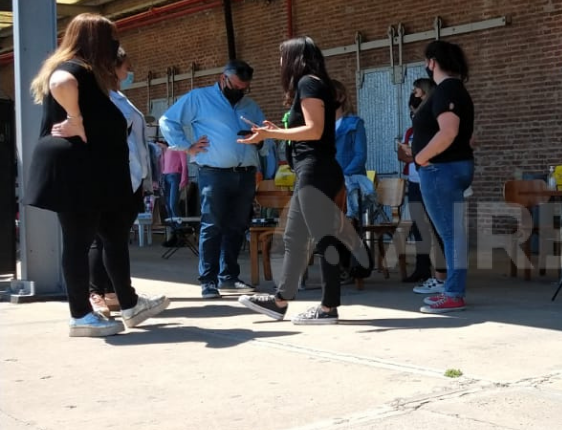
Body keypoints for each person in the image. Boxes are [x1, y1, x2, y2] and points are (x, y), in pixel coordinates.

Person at [23, 13, 169, 337]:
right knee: (79, 241)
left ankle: (129, 303)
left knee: (110, 235)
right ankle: (81, 315)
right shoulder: (75, 69)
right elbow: (60, 83)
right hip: (77, 170)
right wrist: (75, 118)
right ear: (96, 41)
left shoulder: (89, 74)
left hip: (93, 172)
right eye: (111, 39)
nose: (115, 45)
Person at [236, 36, 369, 325]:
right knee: (294, 237)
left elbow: (314, 130)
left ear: (295, 59)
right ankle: (279, 302)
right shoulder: (314, 84)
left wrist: (271, 134)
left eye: (282, 56)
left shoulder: (308, 83)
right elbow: (310, 130)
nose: (280, 62)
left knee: (323, 238)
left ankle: (328, 308)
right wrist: (276, 130)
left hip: (316, 171)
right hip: (313, 171)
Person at [160, 60, 266, 299]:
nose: (240, 92)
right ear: (223, 78)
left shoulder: (250, 106)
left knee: (237, 226)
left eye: (244, 88)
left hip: (246, 173)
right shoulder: (199, 98)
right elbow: (168, 120)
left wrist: (260, 140)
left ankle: (229, 277)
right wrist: (186, 146)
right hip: (214, 173)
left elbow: (264, 135)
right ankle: (208, 280)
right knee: (213, 225)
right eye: (236, 86)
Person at [88, 48, 155, 317]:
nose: (129, 73)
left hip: (130, 176)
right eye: (126, 68)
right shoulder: (99, 97)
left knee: (113, 239)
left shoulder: (118, 96)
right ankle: (97, 293)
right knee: (103, 238)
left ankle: (113, 292)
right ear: (111, 68)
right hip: (112, 177)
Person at [411, 41, 475, 314]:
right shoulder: (457, 90)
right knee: (452, 232)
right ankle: (451, 288)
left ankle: (453, 293)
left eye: (427, 61)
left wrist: (420, 157)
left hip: (440, 169)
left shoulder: (446, 90)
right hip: (453, 167)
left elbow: (448, 132)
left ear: (433, 62)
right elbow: (466, 137)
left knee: (450, 233)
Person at [396, 77, 442, 287]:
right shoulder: (410, 131)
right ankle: (422, 268)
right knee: (418, 226)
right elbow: (402, 155)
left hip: (432, 179)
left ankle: (443, 272)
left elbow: (425, 153)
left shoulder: (435, 125)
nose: (413, 116)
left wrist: (414, 154)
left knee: (437, 226)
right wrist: (412, 154)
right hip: (415, 181)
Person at [331, 80, 376, 224]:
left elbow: (360, 156)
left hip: (348, 183)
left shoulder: (355, 123)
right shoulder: (320, 127)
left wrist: (342, 176)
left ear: (341, 97)